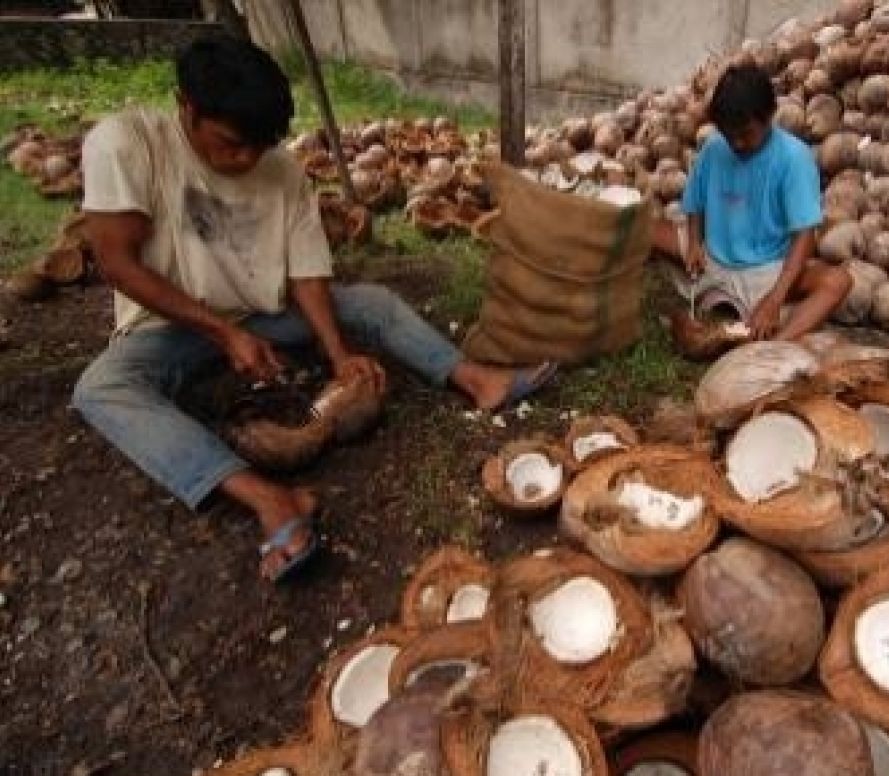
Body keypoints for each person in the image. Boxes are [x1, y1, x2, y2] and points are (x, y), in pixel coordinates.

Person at [72, 36, 555, 583]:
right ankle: (268, 498)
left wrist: (338, 352)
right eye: (232, 143)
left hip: (261, 316)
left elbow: (306, 273)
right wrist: (223, 336)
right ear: (187, 105)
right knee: (100, 388)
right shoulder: (127, 145)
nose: (247, 158)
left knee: (370, 302)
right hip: (170, 328)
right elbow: (118, 264)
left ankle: (474, 379)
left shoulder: (281, 170)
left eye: (259, 145)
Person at [652, 63, 850, 343]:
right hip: (711, 260)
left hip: (765, 272)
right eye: (729, 133)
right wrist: (695, 242)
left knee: (838, 281)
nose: (737, 143)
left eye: (745, 133)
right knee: (643, 230)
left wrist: (774, 299)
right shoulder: (713, 148)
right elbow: (695, 204)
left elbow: (805, 237)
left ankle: (772, 344)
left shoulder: (794, 158)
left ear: (769, 116)